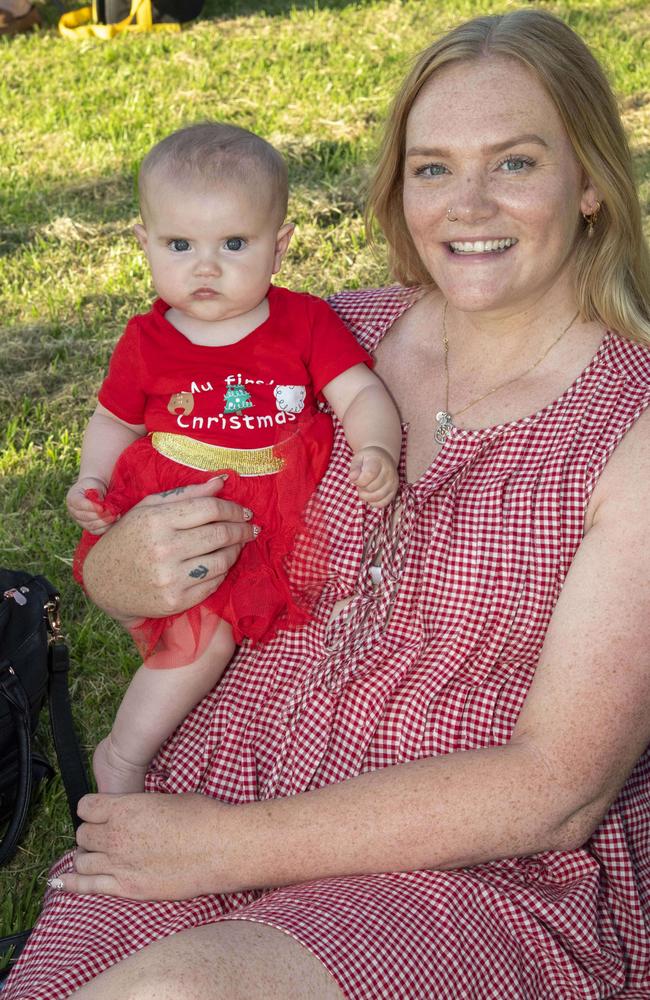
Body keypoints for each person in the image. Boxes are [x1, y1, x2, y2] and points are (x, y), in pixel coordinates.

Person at [5, 7, 650, 998]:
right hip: (216, 785)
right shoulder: (317, 339)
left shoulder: (628, 425)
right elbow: (157, 569)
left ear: (591, 183)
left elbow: (555, 790)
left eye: (514, 163)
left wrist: (226, 851)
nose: (466, 205)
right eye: (432, 168)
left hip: (462, 863)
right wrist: (121, 569)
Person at [65, 122, 401, 795]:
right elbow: (112, 418)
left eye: (235, 244)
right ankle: (123, 757)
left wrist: (375, 446)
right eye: (180, 244)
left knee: (252, 637)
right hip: (180, 510)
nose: (206, 267)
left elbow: (361, 390)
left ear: (279, 248)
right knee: (202, 640)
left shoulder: (302, 321)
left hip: (271, 513)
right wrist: (93, 476)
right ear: (145, 244)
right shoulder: (148, 339)